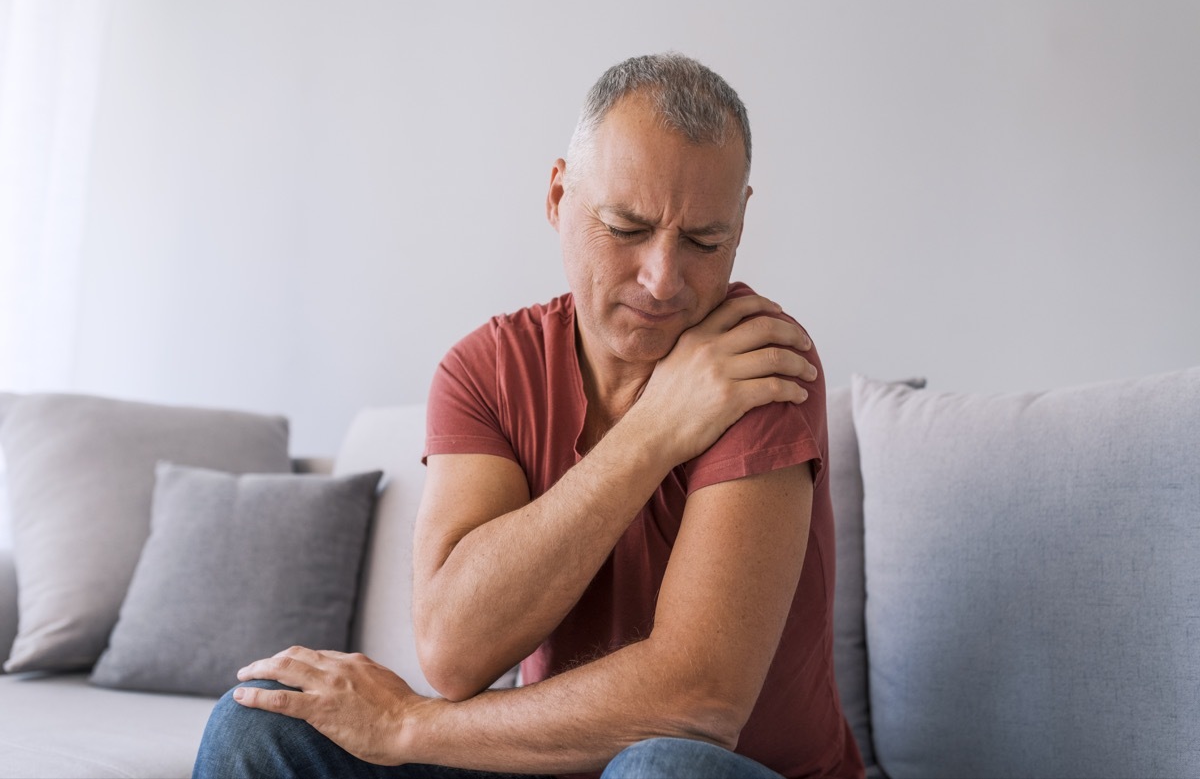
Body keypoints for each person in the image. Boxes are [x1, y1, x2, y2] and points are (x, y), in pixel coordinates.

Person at [194, 52, 864, 779]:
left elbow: (697, 703)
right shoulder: (485, 368)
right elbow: (454, 651)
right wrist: (651, 433)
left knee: (663, 768)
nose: (663, 279)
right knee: (258, 719)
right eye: (626, 226)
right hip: (544, 764)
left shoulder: (759, 361)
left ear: (739, 226)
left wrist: (410, 725)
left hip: (721, 769)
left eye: (704, 241)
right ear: (557, 196)